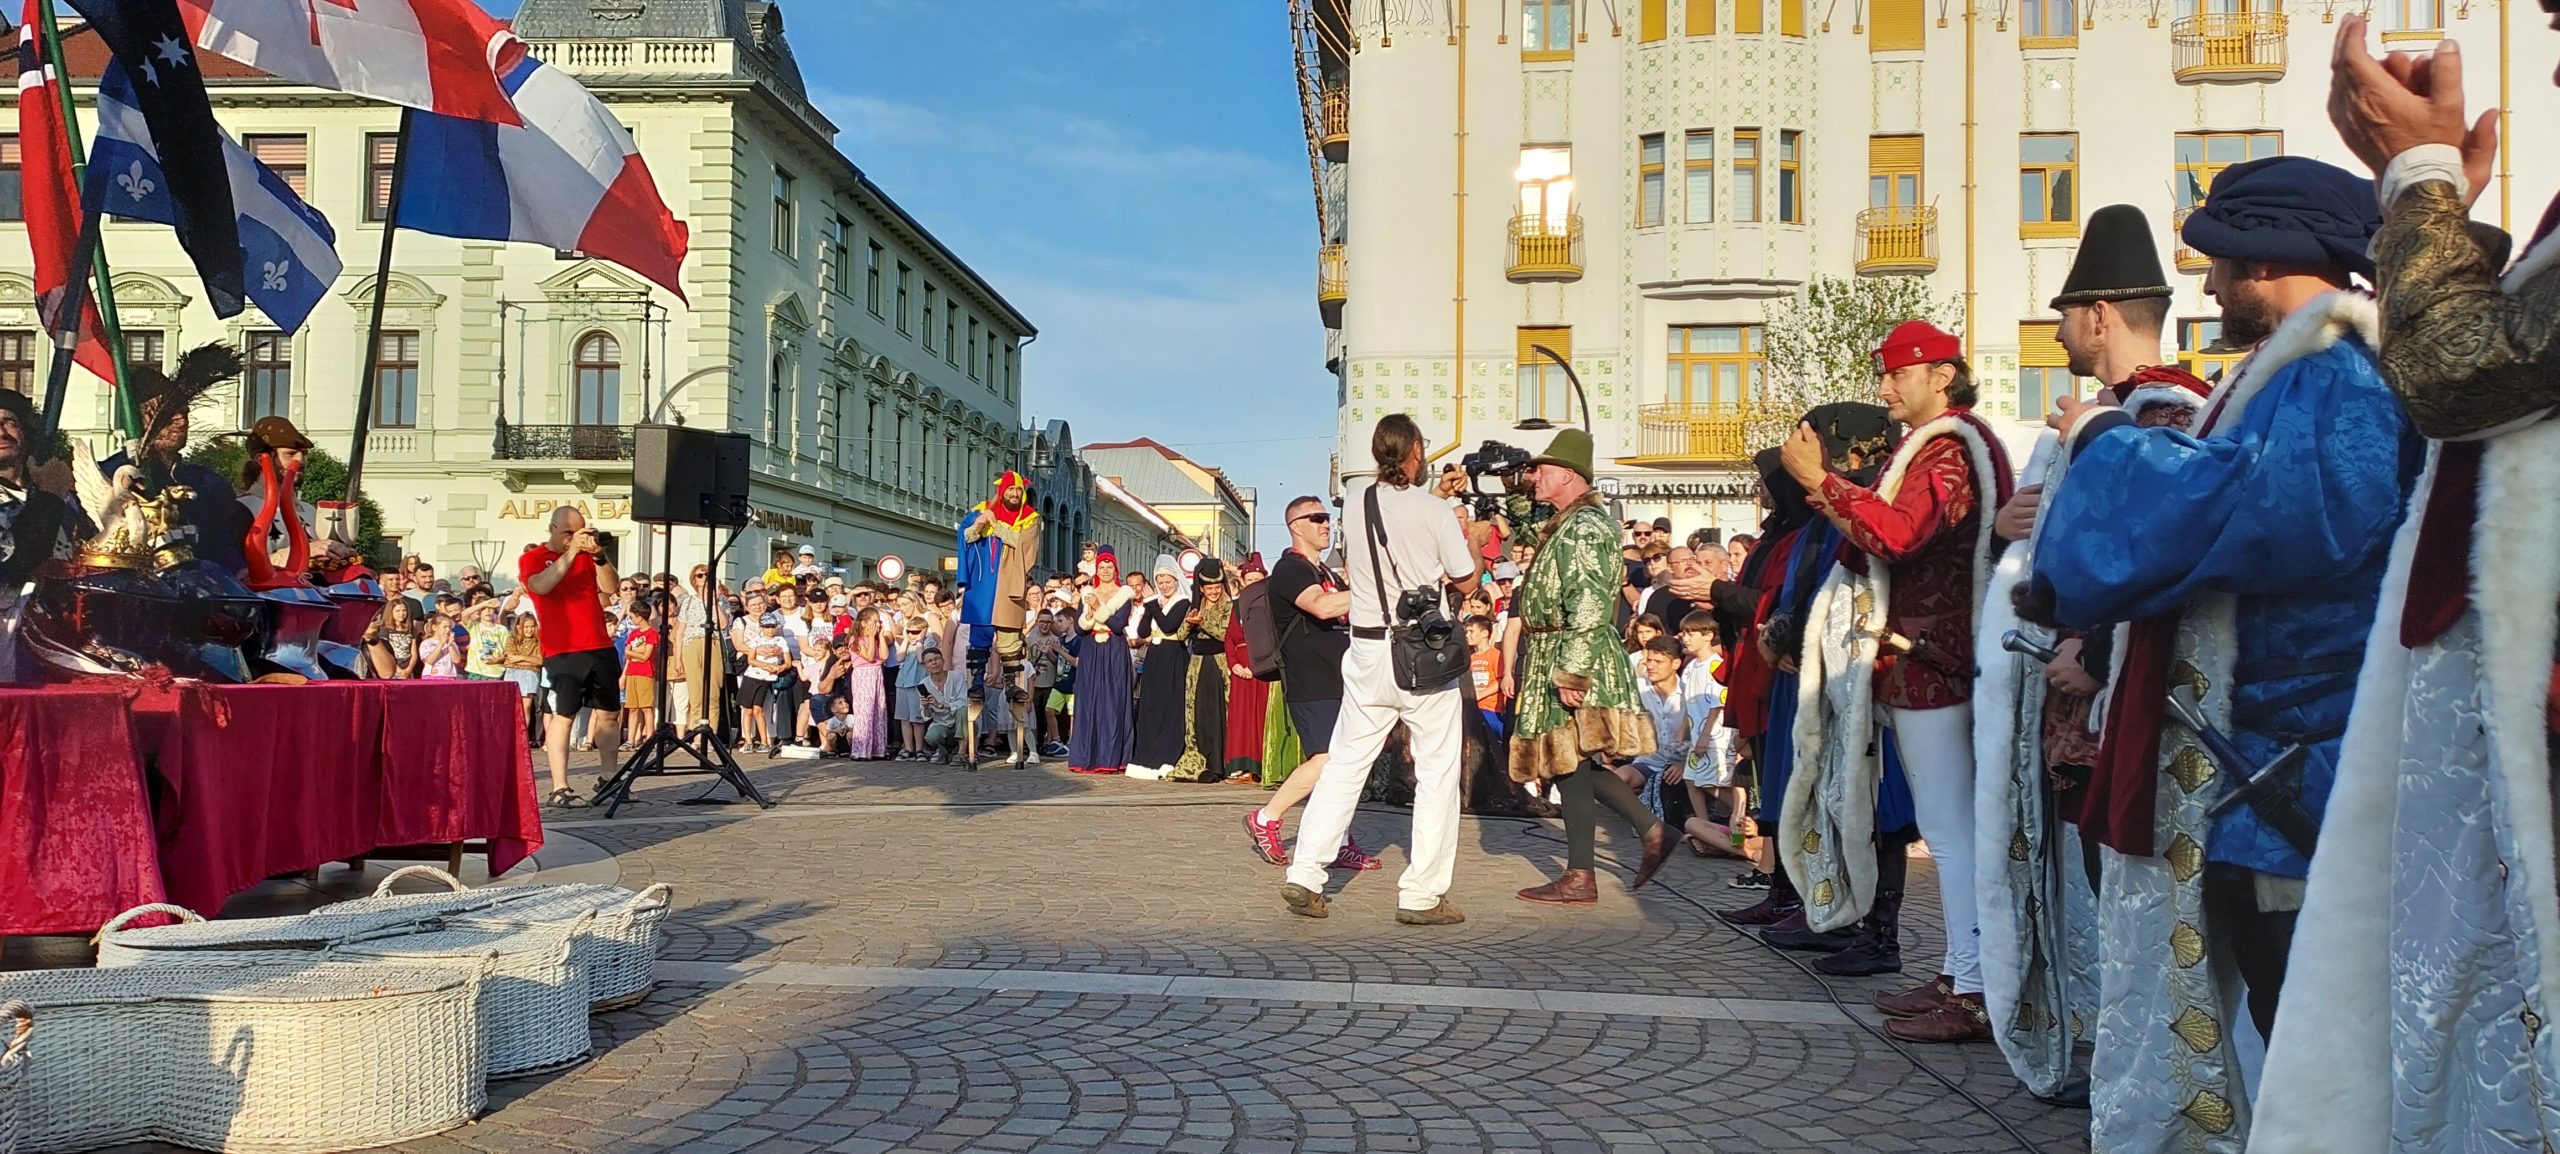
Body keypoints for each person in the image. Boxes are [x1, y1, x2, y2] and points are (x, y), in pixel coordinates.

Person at [2027, 156, 2411, 1153]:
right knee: (2279, 1037)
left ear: (2264, 260)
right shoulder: (2303, 372)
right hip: (2262, 782)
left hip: (2297, 781)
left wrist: (2105, 440)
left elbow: (2228, 517)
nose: (2203, 284)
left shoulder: (2336, 379)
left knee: (2310, 1049)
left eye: (2217, 261)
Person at [2246, 25, 2559, 1150]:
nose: (2557, 67)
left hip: (2305, 709)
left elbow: (2461, 373)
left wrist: (2419, 186)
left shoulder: (2328, 369)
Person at [1975, 203, 2207, 1099]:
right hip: (2078, 700)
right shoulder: (2110, 412)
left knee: (2127, 894)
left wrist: (2098, 647)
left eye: (2066, 314)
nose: (2059, 329)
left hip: (2117, 699)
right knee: (2090, 885)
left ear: (2101, 314)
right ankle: (2113, 1061)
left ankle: (2144, 1075)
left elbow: (2166, 548)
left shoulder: (2162, 411)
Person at [1772, 318, 2013, 1042]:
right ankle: (1960, 969)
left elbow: (1899, 534)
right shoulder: (1937, 445)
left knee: (1950, 826)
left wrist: (1820, 482)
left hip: (1934, 659)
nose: (1883, 389)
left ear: (1941, 375)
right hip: (1920, 659)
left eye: (1896, 374)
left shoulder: (1949, 449)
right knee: (1947, 825)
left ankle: (1975, 985)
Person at [1276, 414, 1481, 926]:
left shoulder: (1358, 503)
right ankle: (1421, 893)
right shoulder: (1435, 511)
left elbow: (1383, 532)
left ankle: (1305, 873)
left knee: (1345, 765)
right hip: (1421, 654)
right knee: (1436, 774)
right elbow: (1466, 579)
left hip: (1367, 651)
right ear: (1414, 450)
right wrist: (1464, 524)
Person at [1507, 427, 1673, 907]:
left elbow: (1586, 603)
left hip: (1570, 652)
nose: (1534, 478)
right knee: (1570, 762)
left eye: (1542, 470)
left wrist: (1572, 674)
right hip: (1553, 652)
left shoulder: (1583, 527)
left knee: (1571, 761)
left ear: (1567, 475)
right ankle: (1647, 833)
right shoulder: (1568, 522)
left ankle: (1590, 869)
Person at [1241, 496, 1381, 872]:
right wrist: (1379, 594)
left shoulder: (1327, 572)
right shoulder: (1291, 569)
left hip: (1339, 678)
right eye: (1317, 518)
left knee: (1346, 764)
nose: (1325, 524)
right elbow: (1321, 607)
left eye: (1327, 518)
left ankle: (1338, 839)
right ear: (1295, 525)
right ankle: (1266, 818)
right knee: (1327, 759)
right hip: (1310, 680)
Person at [519, 506, 622, 809]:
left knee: (609, 714)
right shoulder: (534, 558)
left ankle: (608, 778)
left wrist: (599, 555)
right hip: (563, 649)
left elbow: (611, 587)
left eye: (579, 531)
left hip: (598, 644)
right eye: (567, 533)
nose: (574, 538)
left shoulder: (586, 558)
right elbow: (541, 585)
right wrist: (570, 552)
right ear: (552, 529)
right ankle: (559, 786)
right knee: (564, 716)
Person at [957, 470, 1044, 767]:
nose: (1014, 495)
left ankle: (1011, 685)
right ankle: (977, 683)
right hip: (983, 587)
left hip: (1009, 588)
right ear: (1002, 491)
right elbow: (965, 537)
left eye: (1018, 492)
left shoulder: (1030, 518)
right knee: (980, 640)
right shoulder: (981, 511)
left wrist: (997, 527)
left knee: (1009, 643)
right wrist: (980, 526)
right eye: (1009, 491)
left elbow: (1025, 548)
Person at [0, 389, 71, 679]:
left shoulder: (56, 494)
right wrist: (52, 498)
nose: (2, 431)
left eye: (10, 422)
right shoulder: (52, 495)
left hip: (61, 635)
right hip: (9, 640)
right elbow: (15, 563)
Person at [1671, 611, 1747, 860]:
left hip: (1717, 736)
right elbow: (1688, 701)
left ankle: (1740, 820)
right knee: (1692, 780)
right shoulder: (1691, 666)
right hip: (1698, 734)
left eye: (1691, 633)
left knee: (1715, 784)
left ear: (1708, 635)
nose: (1685, 638)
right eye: (1684, 633)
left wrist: (1704, 736)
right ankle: (1704, 828)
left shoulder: (1715, 664)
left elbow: (1718, 705)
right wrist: (1683, 730)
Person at [1067, 548, 1138, 774]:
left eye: (1109, 567)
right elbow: (1079, 628)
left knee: (1112, 702)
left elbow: (1118, 625)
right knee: (1089, 701)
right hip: (1090, 651)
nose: (1105, 571)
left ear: (1115, 569)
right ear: (1096, 570)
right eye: (1101, 567)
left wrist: (1098, 608)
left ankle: (1111, 756)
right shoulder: (1088, 592)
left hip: (1114, 651)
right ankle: (1086, 756)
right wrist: (1088, 615)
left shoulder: (1124, 594)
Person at [1164, 558, 1235, 783]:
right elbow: (1181, 635)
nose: (1214, 592)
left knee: (1219, 711)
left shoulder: (1229, 606)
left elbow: (1225, 634)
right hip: (1197, 663)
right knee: (1198, 712)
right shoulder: (1197, 605)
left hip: (1219, 662)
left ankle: (1221, 761)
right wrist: (1190, 623)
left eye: (1217, 588)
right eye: (1209, 589)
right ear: (1202, 589)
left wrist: (1202, 623)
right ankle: (1201, 759)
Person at [1128, 555, 1195, 781]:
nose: (1165, 586)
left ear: (1176, 580)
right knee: (1151, 706)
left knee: (1169, 706)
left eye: (1168, 581)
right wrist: (1150, 607)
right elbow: (1143, 631)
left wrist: (1152, 605)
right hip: (1154, 657)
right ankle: (1148, 755)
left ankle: (1168, 754)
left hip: (1173, 656)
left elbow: (1168, 625)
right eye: (1161, 582)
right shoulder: (1155, 603)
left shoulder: (1183, 602)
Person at [1221, 555, 1273, 781]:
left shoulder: (1271, 605)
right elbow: (1229, 639)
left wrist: (1257, 666)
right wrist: (1234, 664)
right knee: (1240, 717)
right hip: (1241, 669)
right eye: (1249, 579)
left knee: (1259, 716)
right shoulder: (1237, 605)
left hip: (1261, 668)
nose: (1253, 583)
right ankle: (1240, 762)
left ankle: (1259, 763)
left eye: (1257, 578)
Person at [739, 611, 789, 753]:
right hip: (752, 677)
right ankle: (748, 740)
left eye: (773, 626)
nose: (771, 629)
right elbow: (751, 660)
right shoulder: (756, 640)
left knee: (758, 709)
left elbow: (788, 662)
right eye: (767, 626)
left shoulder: (780, 641)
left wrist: (780, 668)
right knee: (747, 710)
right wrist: (766, 666)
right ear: (761, 627)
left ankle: (764, 741)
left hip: (766, 679)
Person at [917, 644, 969, 764]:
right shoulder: (923, 684)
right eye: (930, 661)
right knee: (931, 736)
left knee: (962, 710)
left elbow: (964, 701)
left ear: (943, 660)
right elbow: (927, 716)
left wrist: (942, 705)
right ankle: (944, 751)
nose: (934, 663)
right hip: (942, 723)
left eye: (937, 659)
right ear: (924, 667)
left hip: (960, 721)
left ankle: (961, 753)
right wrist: (926, 706)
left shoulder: (956, 676)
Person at [620, 599, 660, 747]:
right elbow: (627, 654)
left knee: (646, 707)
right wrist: (624, 674)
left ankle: (650, 737)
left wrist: (632, 652)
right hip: (632, 672)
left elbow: (646, 655)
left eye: (632, 617)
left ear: (639, 616)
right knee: (632, 708)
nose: (631, 619)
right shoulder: (634, 633)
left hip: (645, 673)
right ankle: (630, 739)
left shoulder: (651, 633)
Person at [363, 596, 423, 680]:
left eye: (404, 610)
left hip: (406, 666)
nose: (401, 613)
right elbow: (386, 650)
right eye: (398, 611)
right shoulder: (385, 629)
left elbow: (413, 652)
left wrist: (408, 669)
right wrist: (397, 669)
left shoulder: (411, 630)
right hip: (393, 665)